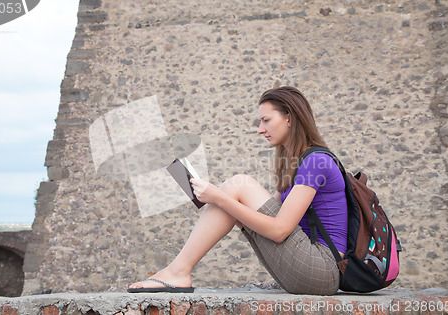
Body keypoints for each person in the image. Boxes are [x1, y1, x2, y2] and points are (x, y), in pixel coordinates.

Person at [128, 86, 348, 295]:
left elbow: (280, 230)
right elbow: (265, 213)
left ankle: (177, 272)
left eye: (266, 120)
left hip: (323, 268)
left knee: (239, 184)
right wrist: (222, 198)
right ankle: (177, 271)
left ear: (289, 118)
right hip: (308, 267)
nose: (260, 129)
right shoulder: (296, 162)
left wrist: (221, 198)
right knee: (235, 194)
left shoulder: (317, 162)